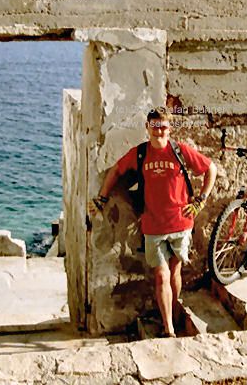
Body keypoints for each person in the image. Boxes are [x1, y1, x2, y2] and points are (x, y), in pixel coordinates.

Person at [90, 107, 217, 337]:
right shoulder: (140, 153)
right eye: (154, 126)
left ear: (169, 129)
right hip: (153, 226)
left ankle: (175, 313)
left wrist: (201, 201)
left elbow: (211, 169)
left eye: (163, 127)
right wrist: (102, 197)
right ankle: (168, 328)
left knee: (175, 271)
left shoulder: (179, 151)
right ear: (147, 128)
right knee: (161, 275)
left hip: (181, 224)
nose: (159, 131)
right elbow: (116, 171)